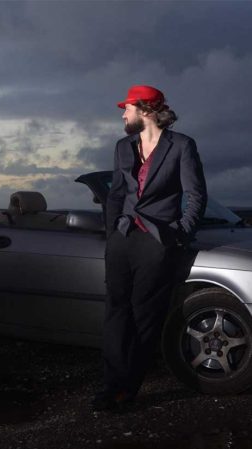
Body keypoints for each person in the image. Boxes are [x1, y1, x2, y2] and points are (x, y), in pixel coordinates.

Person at [91, 85, 208, 413]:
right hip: (123, 238)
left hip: (157, 242)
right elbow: (116, 194)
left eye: (125, 108)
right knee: (116, 313)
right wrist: (113, 229)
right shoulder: (122, 146)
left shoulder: (182, 146)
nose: (122, 114)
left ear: (144, 109)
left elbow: (195, 195)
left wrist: (179, 235)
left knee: (144, 318)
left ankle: (127, 389)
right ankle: (111, 385)